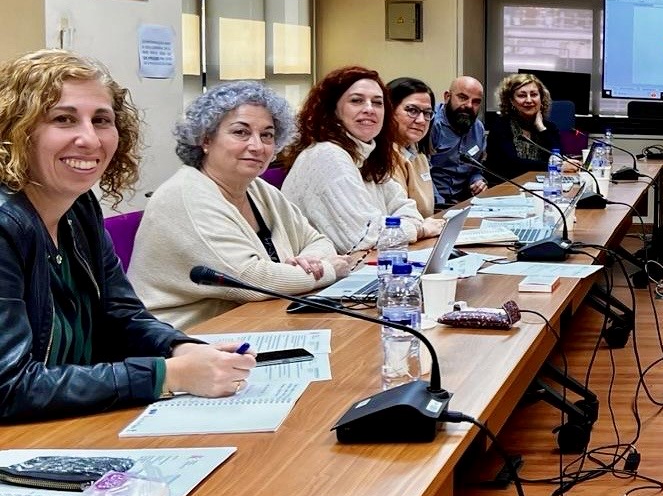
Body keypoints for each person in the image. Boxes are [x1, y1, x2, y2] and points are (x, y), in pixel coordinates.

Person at [0, 50, 253, 421]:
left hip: (71, 422)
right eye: (63, 119)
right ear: (17, 130)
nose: (89, 138)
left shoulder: (80, 208)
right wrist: (166, 375)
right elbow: (9, 387)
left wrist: (179, 348)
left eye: (101, 120)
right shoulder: (6, 225)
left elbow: (122, 315)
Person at [130, 82, 355, 330]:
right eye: (241, 132)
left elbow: (318, 240)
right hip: (186, 340)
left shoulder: (258, 189)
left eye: (267, 135)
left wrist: (308, 261)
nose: (257, 146)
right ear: (205, 139)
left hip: (255, 324)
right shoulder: (185, 195)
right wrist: (326, 269)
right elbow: (251, 281)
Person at [281, 66, 442, 253]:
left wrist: (407, 226)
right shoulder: (327, 155)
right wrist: (418, 229)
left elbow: (406, 207)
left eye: (377, 103)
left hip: (361, 266)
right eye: (356, 101)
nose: (369, 109)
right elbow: (364, 236)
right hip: (324, 277)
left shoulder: (368, 154)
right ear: (332, 110)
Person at [485, 71, 561, 182]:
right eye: (522, 95)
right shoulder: (501, 126)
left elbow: (557, 158)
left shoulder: (549, 128)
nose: (529, 100)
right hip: (506, 189)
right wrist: (551, 167)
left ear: (541, 98)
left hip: (543, 189)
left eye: (534, 94)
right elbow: (511, 166)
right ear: (511, 101)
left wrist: (541, 129)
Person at [428, 75, 488, 208]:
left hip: (463, 203)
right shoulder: (431, 125)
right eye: (462, 98)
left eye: (476, 102)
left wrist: (477, 181)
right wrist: (442, 207)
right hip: (434, 204)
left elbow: (475, 170)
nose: (468, 105)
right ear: (447, 97)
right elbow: (423, 176)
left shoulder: (478, 129)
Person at [389, 77, 437, 218]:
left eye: (427, 113)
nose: (421, 120)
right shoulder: (384, 157)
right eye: (412, 110)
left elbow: (426, 212)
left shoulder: (419, 156)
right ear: (389, 110)